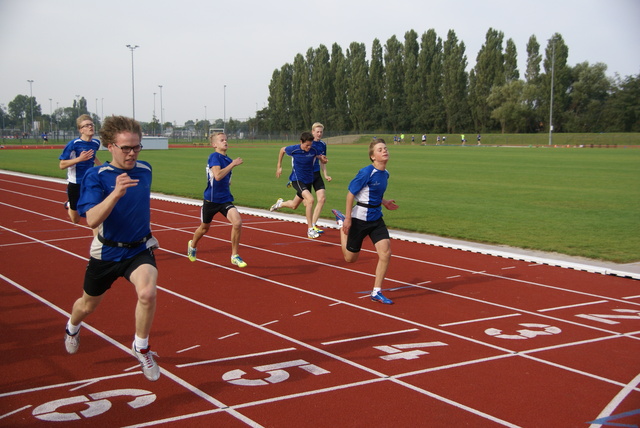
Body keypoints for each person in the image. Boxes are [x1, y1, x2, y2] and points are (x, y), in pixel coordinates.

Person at [64, 115, 161, 382]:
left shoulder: (145, 169)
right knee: (87, 306)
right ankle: (72, 327)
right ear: (110, 146)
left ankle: (141, 347)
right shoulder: (97, 177)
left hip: (138, 250)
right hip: (106, 253)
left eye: (136, 147)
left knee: (147, 293)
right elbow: (92, 219)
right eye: (126, 148)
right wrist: (115, 194)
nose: (132, 153)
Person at [331, 138, 399, 305]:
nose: (384, 151)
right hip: (359, 219)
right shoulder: (366, 172)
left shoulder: (386, 173)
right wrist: (347, 218)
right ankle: (341, 225)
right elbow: (350, 195)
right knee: (350, 259)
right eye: (380, 149)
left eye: (385, 148)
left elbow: (374, 193)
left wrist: (384, 203)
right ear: (373, 157)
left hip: (376, 218)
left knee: (386, 253)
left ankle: (376, 291)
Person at [187, 132, 247, 268]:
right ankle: (192, 244)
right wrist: (233, 165)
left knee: (237, 223)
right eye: (221, 140)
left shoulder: (228, 159)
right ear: (214, 144)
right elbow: (218, 176)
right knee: (204, 228)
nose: (225, 142)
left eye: (226, 139)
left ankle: (234, 255)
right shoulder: (214, 157)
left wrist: (230, 171)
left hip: (225, 199)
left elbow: (226, 180)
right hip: (211, 200)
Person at [270, 131, 320, 239]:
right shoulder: (294, 149)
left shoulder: (313, 150)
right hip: (297, 180)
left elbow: (318, 156)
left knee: (294, 205)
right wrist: (279, 166)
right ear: (301, 142)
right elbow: (282, 150)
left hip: (308, 180)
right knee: (310, 200)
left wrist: (323, 159)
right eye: (306, 145)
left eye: (310, 145)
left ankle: (280, 204)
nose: (308, 147)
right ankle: (310, 229)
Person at [59, 114, 102, 225]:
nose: (90, 127)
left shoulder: (95, 143)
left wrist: (102, 167)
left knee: (93, 209)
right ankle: (69, 204)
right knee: (75, 220)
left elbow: (93, 156)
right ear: (81, 130)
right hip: (75, 182)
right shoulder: (73, 145)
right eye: (86, 125)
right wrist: (79, 159)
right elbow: (62, 165)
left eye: (91, 124)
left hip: (89, 181)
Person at [309, 122, 331, 234]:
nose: (319, 134)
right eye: (317, 131)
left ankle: (313, 225)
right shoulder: (308, 143)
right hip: (306, 175)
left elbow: (323, 161)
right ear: (312, 132)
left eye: (321, 132)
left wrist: (325, 174)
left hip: (316, 174)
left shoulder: (323, 144)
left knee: (321, 199)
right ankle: (281, 203)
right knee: (295, 204)